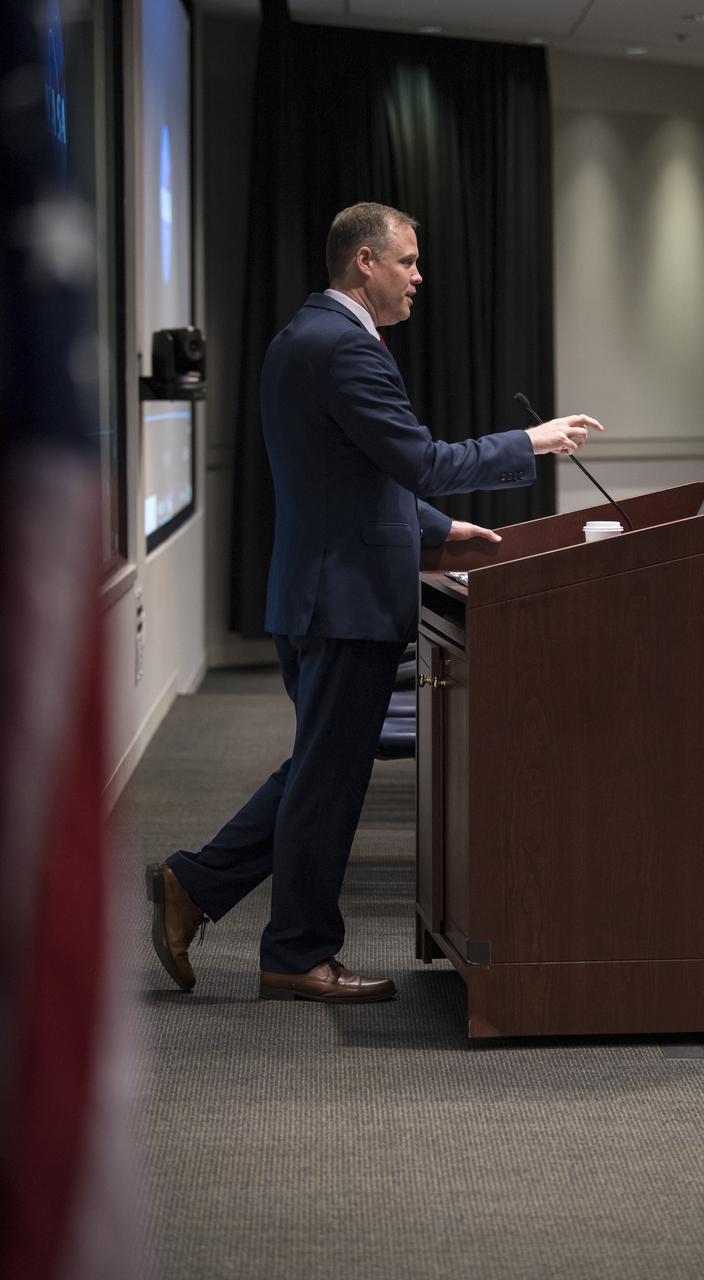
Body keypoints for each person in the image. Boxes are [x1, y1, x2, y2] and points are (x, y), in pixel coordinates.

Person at [146, 202, 603, 1003]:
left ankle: (194, 883)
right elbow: (417, 459)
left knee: (319, 771)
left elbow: (351, 476)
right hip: (343, 602)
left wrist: (435, 527)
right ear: (365, 262)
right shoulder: (343, 347)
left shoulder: (307, 337)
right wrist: (529, 442)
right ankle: (295, 953)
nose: (419, 277)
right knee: (327, 783)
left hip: (323, 591)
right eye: (408, 262)